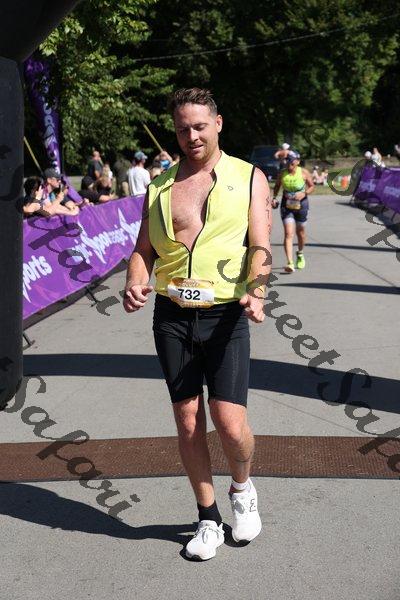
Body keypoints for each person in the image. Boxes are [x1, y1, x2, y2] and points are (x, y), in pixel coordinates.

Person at [123, 87, 271, 561]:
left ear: (218, 123)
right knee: (188, 420)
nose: (192, 137)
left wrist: (257, 290)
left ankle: (242, 488)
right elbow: (143, 250)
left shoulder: (249, 177)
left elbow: (260, 245)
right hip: (172, 316)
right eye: (183, 129)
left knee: (230, 423)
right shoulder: (160, 186)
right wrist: (134, 281)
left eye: (200, 126)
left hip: (225, 314)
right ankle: (207, 517)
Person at [272, 152, 314, 273]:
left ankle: (300, 253)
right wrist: (274, 198)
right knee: (288, 233)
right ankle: (289, 262)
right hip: (287, 205)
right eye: (287, 160)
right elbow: (277, 186)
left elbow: (312, 186)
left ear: (297, 161)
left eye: (291, 160)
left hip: (302, 205)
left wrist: (304, 193)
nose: (289, 162)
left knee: (300, 232)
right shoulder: (282, 173)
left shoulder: (304, 172)